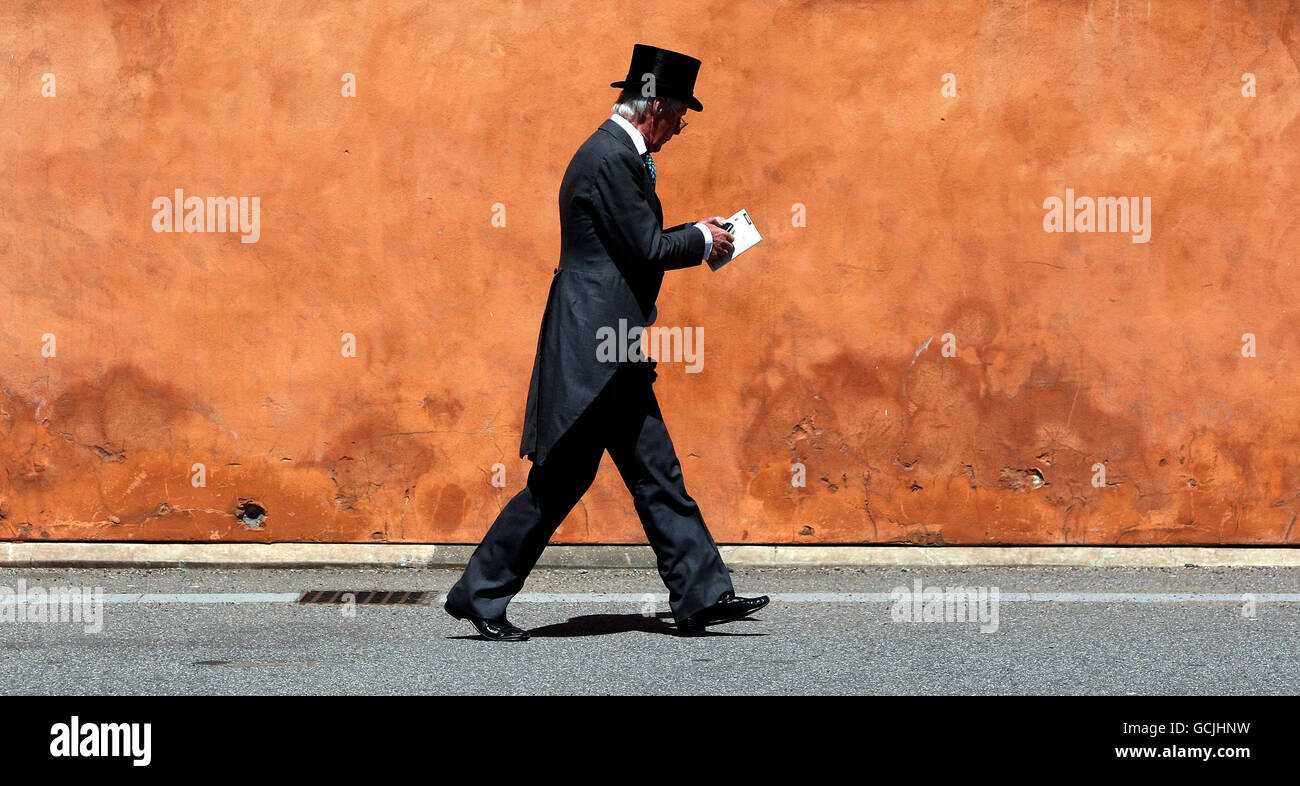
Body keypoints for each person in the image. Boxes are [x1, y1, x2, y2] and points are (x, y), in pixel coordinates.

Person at [444, 44, 769, 640]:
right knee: (573, 478)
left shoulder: (615, 154)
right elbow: (646, 249)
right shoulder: (612, 158)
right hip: (599, 345)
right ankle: (480, 591)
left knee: (648, 470)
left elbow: (633, 243)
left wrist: (696, 233)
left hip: (608, 341)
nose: (680, 128)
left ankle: (699, 594)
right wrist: (700, 240)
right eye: (680, 115)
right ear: (657, 106)